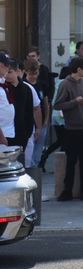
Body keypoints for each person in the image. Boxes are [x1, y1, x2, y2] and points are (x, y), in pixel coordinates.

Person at [53, 57, 83, 201]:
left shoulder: (82, 82)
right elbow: (58, 105)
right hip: (71, 128)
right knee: (71, 161)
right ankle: (67, 191)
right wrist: (74, 102)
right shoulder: (65, 84)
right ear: (78, 69)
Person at [39, 66, 71, 172]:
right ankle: (62, 162)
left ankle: (45, 155)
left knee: (61, 140)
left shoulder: (58, 83)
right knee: (65, 140)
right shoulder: (66, 84)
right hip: (62, 115)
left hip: (55, 115)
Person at [4, 61, 39, 154]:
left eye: (10, 72)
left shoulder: (26, 89)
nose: (7, 75)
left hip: (22, 132)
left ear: (17, 71)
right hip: (6, 133)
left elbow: (29, 111)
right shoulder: (3, 88)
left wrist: (28, 133)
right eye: (5, 72)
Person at [24, 58, 50, 167]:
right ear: (25, 72)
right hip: (29, 124)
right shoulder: (24, 85)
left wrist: (45, 122)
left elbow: (46, 104)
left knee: (37, 155)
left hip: (41, 123)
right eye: (31, 74)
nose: (34, 76)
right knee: (28, 156)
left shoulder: (42, 84)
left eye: (36, 73)